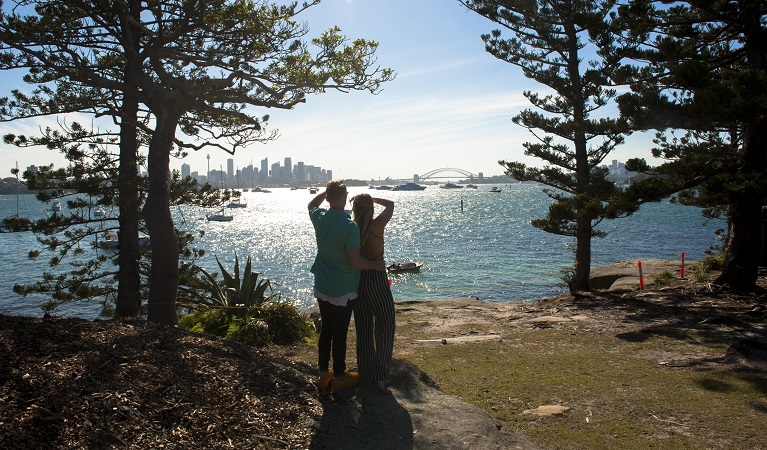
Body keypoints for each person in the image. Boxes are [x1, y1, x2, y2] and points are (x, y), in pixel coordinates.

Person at [308, 180, 385, 392]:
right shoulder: (349, 227)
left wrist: (325, 194)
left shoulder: (320, 218)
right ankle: (340, 377)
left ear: (327, 197)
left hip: (322, 284)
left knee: (326, 331)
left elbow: (310, 205)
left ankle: (324, 374)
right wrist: (375, 265)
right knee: (339, 333)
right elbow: (355, 262)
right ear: (345, 197)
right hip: (342, 287)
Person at [351, 193, 395, 393]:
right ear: (370, 208)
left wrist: (363, 203)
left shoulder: (352, 230)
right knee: (386, 324)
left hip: (358, 279)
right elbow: (391, 204)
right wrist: (373, 199)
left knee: (364, 326)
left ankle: (365, 370)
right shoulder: (377, 226)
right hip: (376, 277)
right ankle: (379, 376)